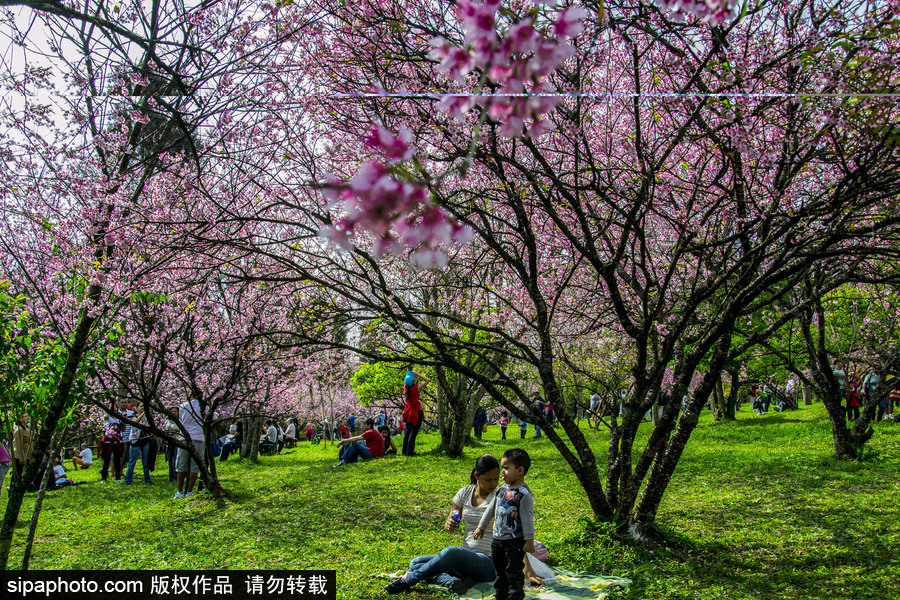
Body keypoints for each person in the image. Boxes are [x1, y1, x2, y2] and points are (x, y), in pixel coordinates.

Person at [384, 454, 542, 595]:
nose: (494, 483)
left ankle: (406, 581)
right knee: (416, 563)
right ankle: (453, 582)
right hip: (466, 559)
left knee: (450, 553)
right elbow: (450, 525)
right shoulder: (464, 493)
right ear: (476, 475)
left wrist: (526, 566)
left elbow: (514, 532)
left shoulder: (502, 496)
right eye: (488, 480)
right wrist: (450, 524)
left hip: (489, 561)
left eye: (496, 478)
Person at [474, 448, 535, 600]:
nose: (502, 472)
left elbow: (527, 518)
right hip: (497, 539)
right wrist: (481, 527)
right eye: (503, 468)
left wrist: (529, 540)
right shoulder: (501, 489)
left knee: (513, 572)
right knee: (499, 571)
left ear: (520, 470)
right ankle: (500, 596)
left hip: (514, 541)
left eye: (506, 468)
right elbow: (490, 509)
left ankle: (515, 596)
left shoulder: (523, 493)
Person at [173, 394, 212, 499]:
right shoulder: (204, 407)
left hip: (184, 437)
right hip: (198, 437)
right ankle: (189, 491)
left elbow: (180, 419)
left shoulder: (183, 406)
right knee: (195, 466)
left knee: (181, 465)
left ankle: (179, 491)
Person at [402, 368, 430, 456]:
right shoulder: (415, 388)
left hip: (407, 410)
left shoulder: (405, 388)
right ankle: (410, 452)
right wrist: (417, 374)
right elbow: (427, 380)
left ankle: (404, 451)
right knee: (413, 432)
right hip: (416, 411)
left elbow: (408, 381)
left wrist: (411, 375)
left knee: (407, 432)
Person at [124, 408, 152, 485]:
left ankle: (147, 479)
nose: (142, 407)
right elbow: (135, 422)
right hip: (135, 441)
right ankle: (128, 481)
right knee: (132, 462)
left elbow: (149, 426)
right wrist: (142, 414)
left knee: (145, 461)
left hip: (145, 440)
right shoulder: (133, 416)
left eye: (143, 406)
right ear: (137, 408)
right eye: (140, 406)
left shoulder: (147, 417)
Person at [12, 415, 34, 483]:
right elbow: (18, 445)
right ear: (19, 419)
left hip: (27, 456)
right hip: (20, 457)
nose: (27, 417)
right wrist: (22, 458)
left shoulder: (26, 429)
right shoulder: (19, 430)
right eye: (25, 416)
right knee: (17, 476)